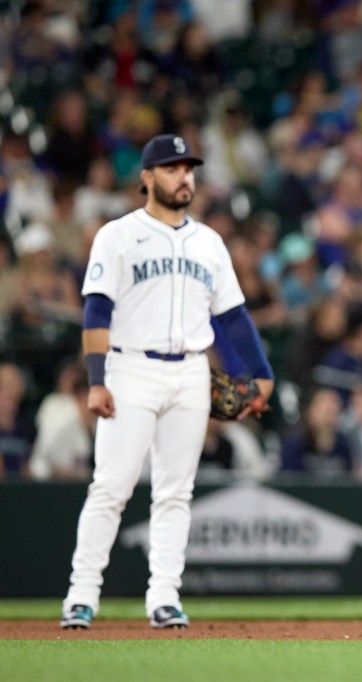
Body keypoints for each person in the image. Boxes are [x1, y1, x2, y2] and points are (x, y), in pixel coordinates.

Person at [60, 134, 274, 631]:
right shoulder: (118, 235)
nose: (185, 177)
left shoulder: (208, 242)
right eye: (174, 168)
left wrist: (261, 373)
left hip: (190, 372)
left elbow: (236, 318)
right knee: (111, 487)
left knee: (176, 492)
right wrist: (97, 380)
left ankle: (164, 597)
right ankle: (81, 594)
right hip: (129, 368)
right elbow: (96, 310)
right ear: (147, 177)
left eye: (189, 168)